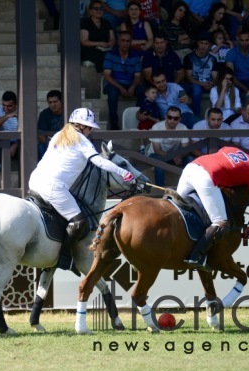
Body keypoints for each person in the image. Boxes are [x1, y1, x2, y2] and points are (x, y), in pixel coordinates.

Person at [28, 107, 135, 273]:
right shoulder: (82, 141)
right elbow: (99, 162)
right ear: (82, 126)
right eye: (90, 127)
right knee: (79, 221)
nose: (90, 131)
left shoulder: (59, 135)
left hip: (35, 181)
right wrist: (123, 172)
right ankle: (64, 258)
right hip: (54, 187)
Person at [177, 144, 249, 270]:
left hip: (191, 167)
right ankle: (195, 257)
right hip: (205, 178)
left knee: (178, 208)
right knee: (221, 223)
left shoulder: (233, 149)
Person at [102, 30, 142, 129]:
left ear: (130, 42)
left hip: (129, 83)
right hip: (114, 84)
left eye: (128, 41)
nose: (125, 43)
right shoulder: (110, 54)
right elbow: (107, 75)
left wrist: (132, 87)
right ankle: (114, 125)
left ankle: (139, 123)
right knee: (112, 93)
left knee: (142, 91)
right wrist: (120, 87)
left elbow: (137, 76)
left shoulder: (135, 56)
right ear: (118, 42)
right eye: (123, 40)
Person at [147, 106, 193, 186]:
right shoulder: (157, 127)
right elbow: (157, 150)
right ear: (166, 117)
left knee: (190, 160)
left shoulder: (183, 127)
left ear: (179, 119)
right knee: (160, 163)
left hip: (175, 156)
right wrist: (173, 157)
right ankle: (160, 192)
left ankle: (191, 189)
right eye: (170, 117)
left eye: (175, 118)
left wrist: (179, 156)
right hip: (156, 155)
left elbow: (186, 148)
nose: (172, 120)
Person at [183, 31, 218, 116]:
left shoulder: (213, 59)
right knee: (197, 89)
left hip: (209, 83)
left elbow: (215, 76)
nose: (203, 46)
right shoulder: (189, 58)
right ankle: (197, 116)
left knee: (220, 88)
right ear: (197, 43)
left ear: (210, 45)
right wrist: (202, 84)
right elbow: (189, 77)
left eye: (206, 44)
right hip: (195, 84)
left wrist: (212, 83)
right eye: (201, 43)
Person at [80, 0, 115, 73]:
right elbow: (84, 42)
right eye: (96, 9)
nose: (99, 11)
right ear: (90, 11)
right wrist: (99, 43)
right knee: (103, 55)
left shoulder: (106, 23)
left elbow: (112, 38)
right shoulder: (85, 23)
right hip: (90, 49)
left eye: (101, 9)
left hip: (105, 48)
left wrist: (110, 43)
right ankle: (104, 76)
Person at [0, 90, 19, 159]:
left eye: (9, 106)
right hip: (2, 141)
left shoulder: (21, 111)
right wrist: (7, 116)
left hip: (17, 143)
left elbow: (28, 132)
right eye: (4, 105)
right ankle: (1, 166)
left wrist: (16, 145)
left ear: (15, 104)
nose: (5, 108)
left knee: (29, 144)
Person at [37, 89, 64, 161]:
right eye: (50, 102)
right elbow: (41, 136)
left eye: (55, 102)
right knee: (41, 146)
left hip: (66, 142)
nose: (53, 105)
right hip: (50, 143)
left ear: (61, 101)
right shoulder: (44, 114)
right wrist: (53, 145)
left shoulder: (68, 111)